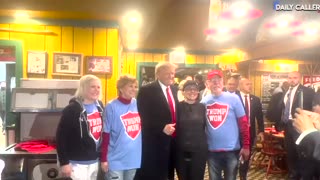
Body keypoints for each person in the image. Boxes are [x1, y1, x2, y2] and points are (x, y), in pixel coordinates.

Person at [201, 70, 250, 180]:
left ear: (223, 82)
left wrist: (246, 146)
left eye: (218, 80)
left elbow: (244, 124)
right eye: (212, 81)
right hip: (212, 151)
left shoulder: (234, 99)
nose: (216, 83)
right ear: (208, 84)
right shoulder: (204, 102)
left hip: (231, 151)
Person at [134, 62, 178, 180]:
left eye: (173, 73)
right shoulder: (147, 90)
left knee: (169, 171)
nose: (171, 76)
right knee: (155, 172)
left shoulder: (174, 89)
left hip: (172, 139)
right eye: (168, 73)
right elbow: (142, 114)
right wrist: (161, 127)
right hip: (154, 141)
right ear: (158, 74)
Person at [56, 75, 104, 180]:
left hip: (94, 161)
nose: (96, 90)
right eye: (92, 87)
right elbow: (61, 138)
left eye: (98, 87)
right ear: (83, 88)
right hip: (76, 163)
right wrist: (64, 163)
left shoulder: (100, 106)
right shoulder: (71, 109)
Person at [100, 75, 141, 180]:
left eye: (135, 86)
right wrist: (104, 159)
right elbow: (106, 134)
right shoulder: (111, 106)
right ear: (121, 88)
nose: (134, 89)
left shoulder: (138, 104)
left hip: (133, 158)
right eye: (130, 86)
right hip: (115, 159)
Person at [276, 71, 315, 180]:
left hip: (300, 124)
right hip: (287, 125)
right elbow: (283, 108)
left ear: (300, 78)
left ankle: (303, 175)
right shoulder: (286, 91)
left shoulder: (308, 91)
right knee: (290, 151)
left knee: (301, 152)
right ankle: (292, 174)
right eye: (290, 78)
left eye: (294, 77)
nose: (292, 80)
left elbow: (312, 108)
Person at [175, 80, 207, 180]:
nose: (192, 91)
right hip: (180, 149)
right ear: (183, 92)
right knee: (183, 177)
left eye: (195, 89)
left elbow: (206, 127)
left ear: (198, 92)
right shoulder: (177, 107)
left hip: (199, 150)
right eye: (188, 89)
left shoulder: (203, 107)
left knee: (197, 177)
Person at [237, 78, 264, 180]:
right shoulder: (234, 97)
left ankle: (243, 176)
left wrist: (261, 131)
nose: (250, 86)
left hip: (250, 132)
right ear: (240, 86)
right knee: (235, 155)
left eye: (250, 84)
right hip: (236, 132)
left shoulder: (255, 99)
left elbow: (260, 117)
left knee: (246, 155)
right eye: (247, 84)